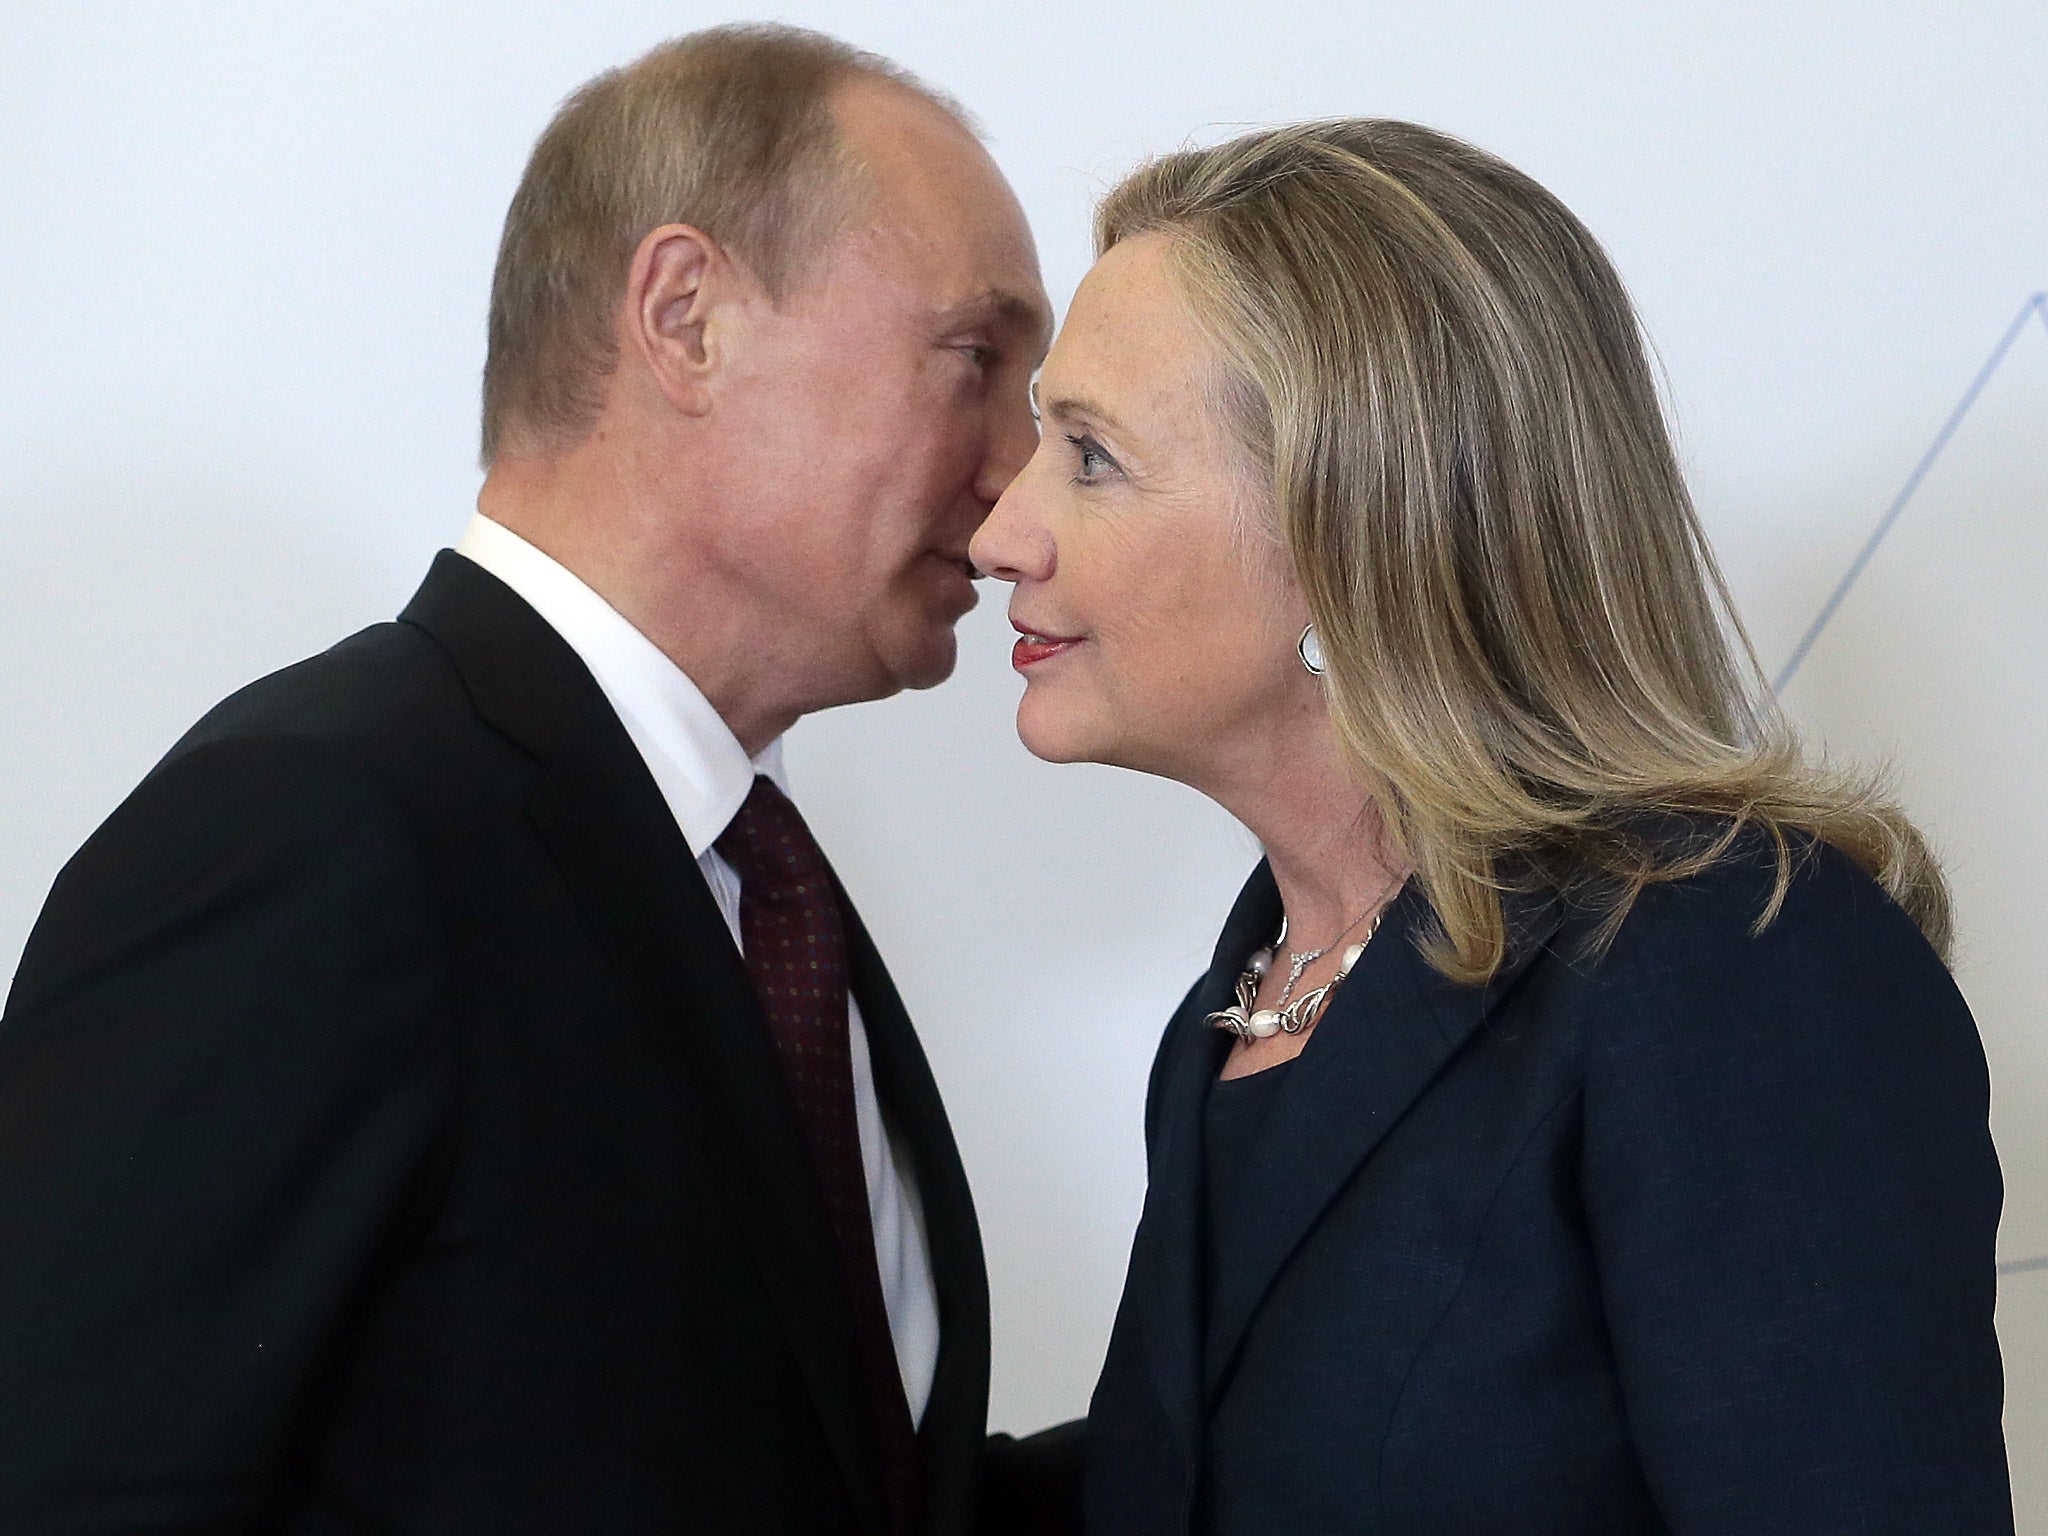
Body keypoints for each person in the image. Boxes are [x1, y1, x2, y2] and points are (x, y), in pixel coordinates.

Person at [0, 25, 1049, 1535]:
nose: (1019, 472)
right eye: (974, 362)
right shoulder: (316, 834)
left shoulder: (756, 889)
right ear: (684, 316)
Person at [970, 119, 2013, 1534]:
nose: (1002, 531)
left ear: (1352, 525)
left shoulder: (1737, 965)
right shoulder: (1242, 1007)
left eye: (1089, 455)